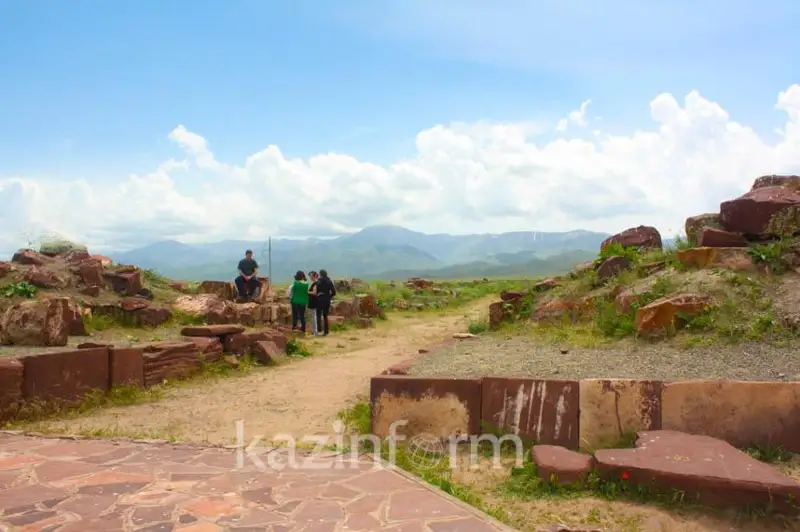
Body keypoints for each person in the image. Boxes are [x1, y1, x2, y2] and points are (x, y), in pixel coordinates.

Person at [315, 268, 336, 336]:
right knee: (325, 315)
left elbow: (316, 290)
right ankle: (326, 331)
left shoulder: (319, 281)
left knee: (318, 315)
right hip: (327, 300)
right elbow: (334, 292)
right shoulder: (329, 281)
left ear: (320, 274)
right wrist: (329, 297)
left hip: (320, 299)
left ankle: (319, 330)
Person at [307, 271, 320, 335]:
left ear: (314, 276)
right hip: (314, 301)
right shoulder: (316, 283)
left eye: (311, 276)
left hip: (313, 301)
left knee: (313, 316)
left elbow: (314, 293)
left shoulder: (315, 283)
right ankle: (314, 330)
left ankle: (314, 331)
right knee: (313, 316)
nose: (310, 277)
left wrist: (307, 292)